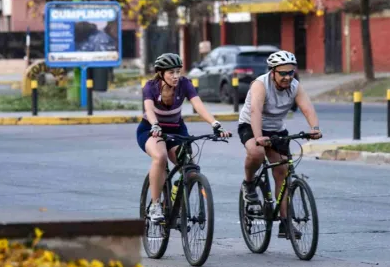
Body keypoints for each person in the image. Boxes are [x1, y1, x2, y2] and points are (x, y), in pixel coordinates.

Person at [237, 50, 322, 239]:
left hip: (276, 129)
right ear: (273, 72)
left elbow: (307, 108)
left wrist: (314, 128)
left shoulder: (295, 86)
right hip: (251, 126)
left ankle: (285, 223)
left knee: (282, 171)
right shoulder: (261, 85)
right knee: (257, 153)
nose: (287, 77)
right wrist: (259, 137)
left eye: (290, 72)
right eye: (282, 73)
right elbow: (256, 112)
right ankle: (249, 183)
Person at [137, 53, 231, 222]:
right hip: (151, 130)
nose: (175, 76)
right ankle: (155, 205)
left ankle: (176, 196)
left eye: (178, 71)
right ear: (161, 73)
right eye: (171, 72)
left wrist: (215, 124)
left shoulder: (184, 84)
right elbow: (149, 110)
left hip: (176, 130)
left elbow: (198, 105)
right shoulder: (150, 87)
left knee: (190, 168)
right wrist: (155, 124)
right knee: (160, 156)